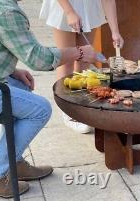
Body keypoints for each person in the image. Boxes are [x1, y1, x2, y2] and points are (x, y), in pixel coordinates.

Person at [0, 0, 100, 198]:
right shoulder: (5, 12)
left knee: (21, 85)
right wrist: (79, 52)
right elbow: (38, 59)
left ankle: (13, 161)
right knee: (40, 109)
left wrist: (12, 70)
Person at [40, 0, 124, 134]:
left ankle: (80, 106)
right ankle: (67, 111)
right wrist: (69, 12)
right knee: (66, 61)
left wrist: (115, 31)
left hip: (89, 6)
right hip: (66, 5)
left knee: (85, 60)